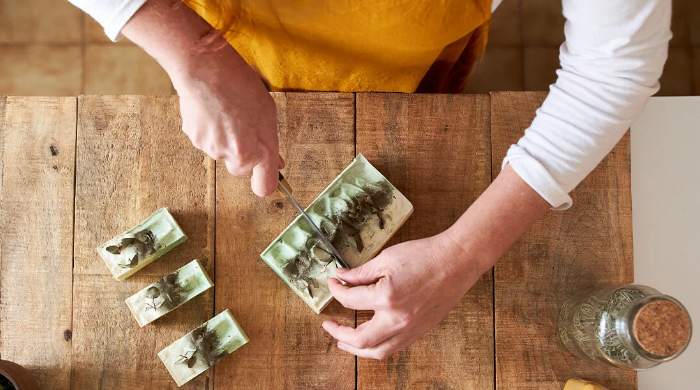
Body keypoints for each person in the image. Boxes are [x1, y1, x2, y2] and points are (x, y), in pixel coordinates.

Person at [68, 0, 671, 359]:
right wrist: (193, 53)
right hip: (213, 28)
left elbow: (615, 68)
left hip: (402, 57)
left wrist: (463, 254)